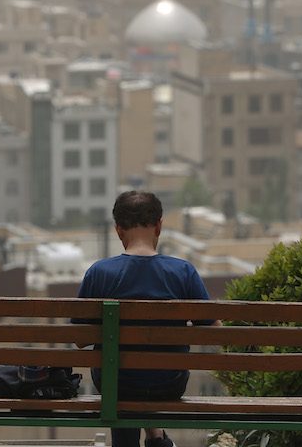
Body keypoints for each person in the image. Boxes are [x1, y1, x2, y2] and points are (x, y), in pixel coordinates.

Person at [75, 190, 212, 447]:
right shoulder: (183, 272)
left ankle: (151, 436)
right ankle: (156, 435)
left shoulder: (99, 273)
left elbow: (80, 340)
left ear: (118, 230)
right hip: (169, 385)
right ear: (159, 226)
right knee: (143, 378)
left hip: (116, 384)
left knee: (120, 381)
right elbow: (214, 330)